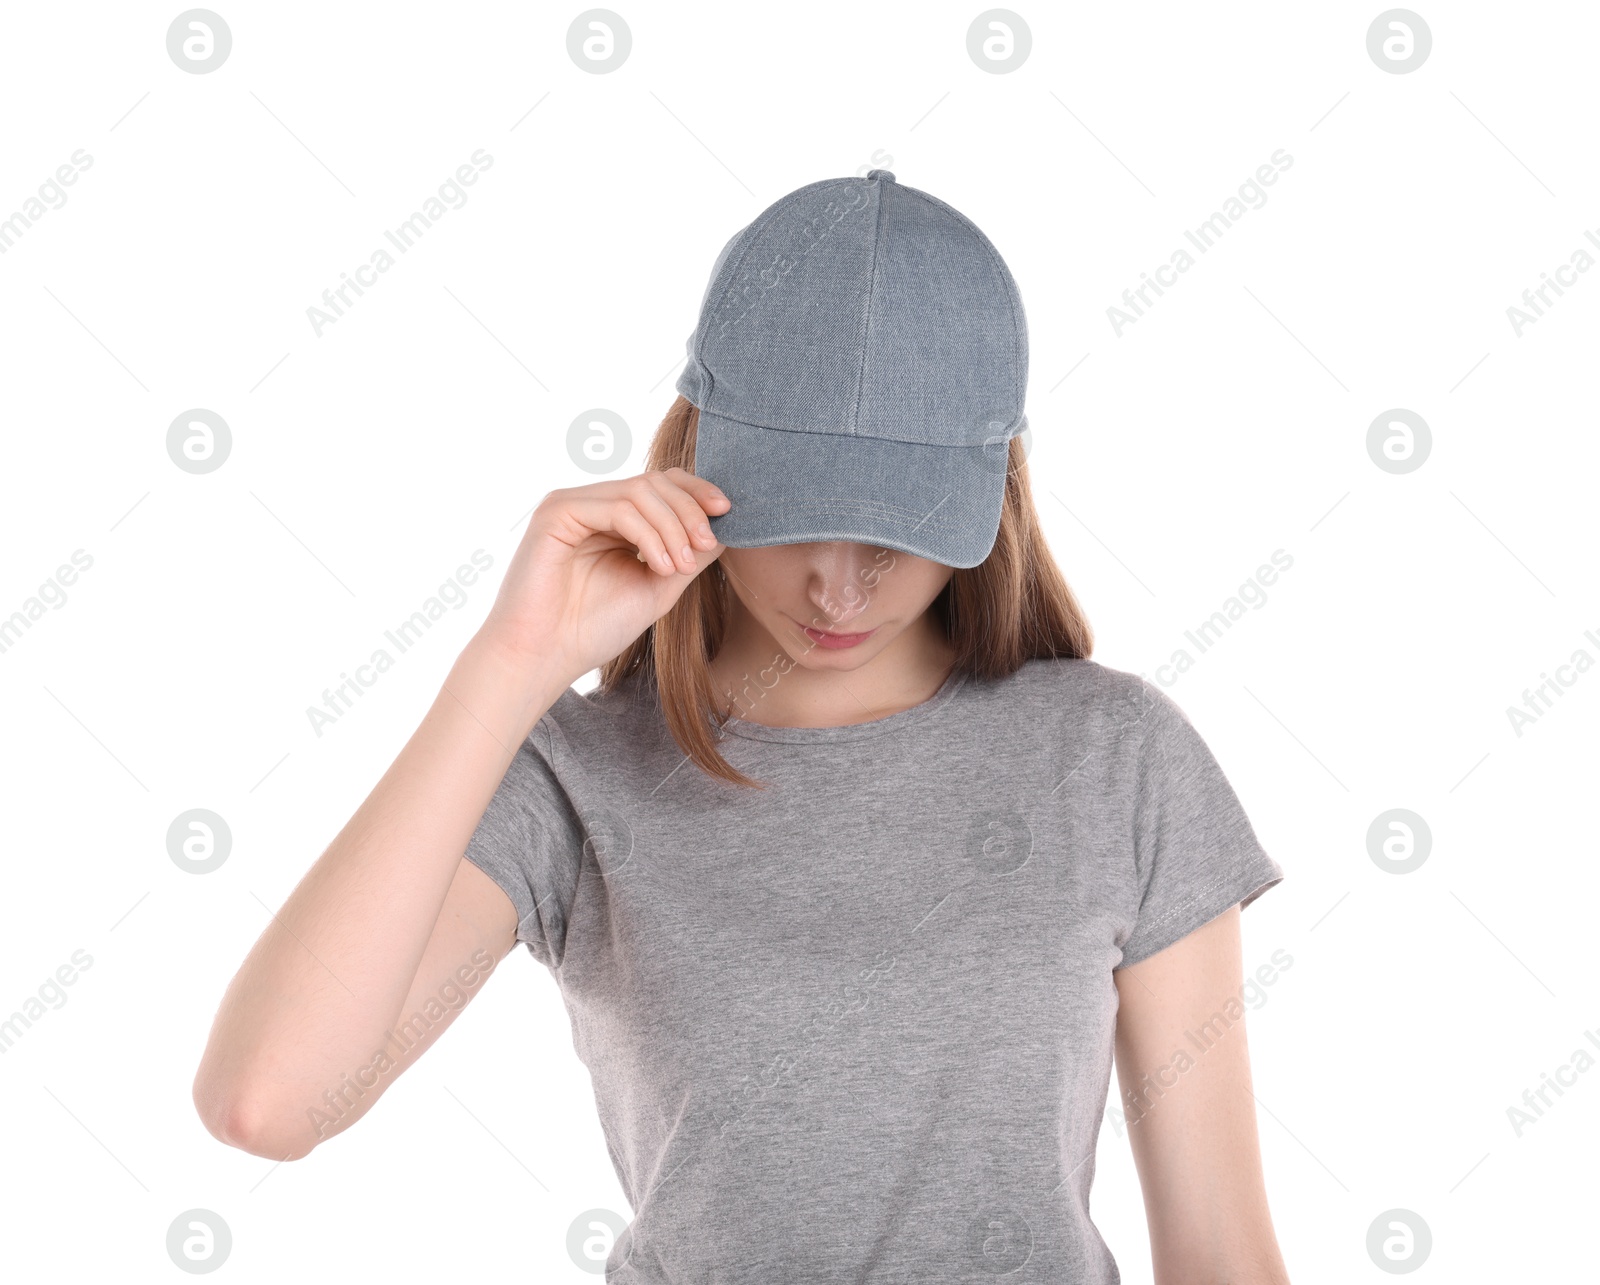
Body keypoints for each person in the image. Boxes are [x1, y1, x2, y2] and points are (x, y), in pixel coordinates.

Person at [192, 170, 1290, 1282]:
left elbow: (1220, 1255)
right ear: (699, 460)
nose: (837, 590)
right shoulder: (578, 775)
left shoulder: (1118, 760)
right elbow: (266, 1101)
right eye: (795, 517)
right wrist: (510, 663)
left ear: (988, 493)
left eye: (891, 535)